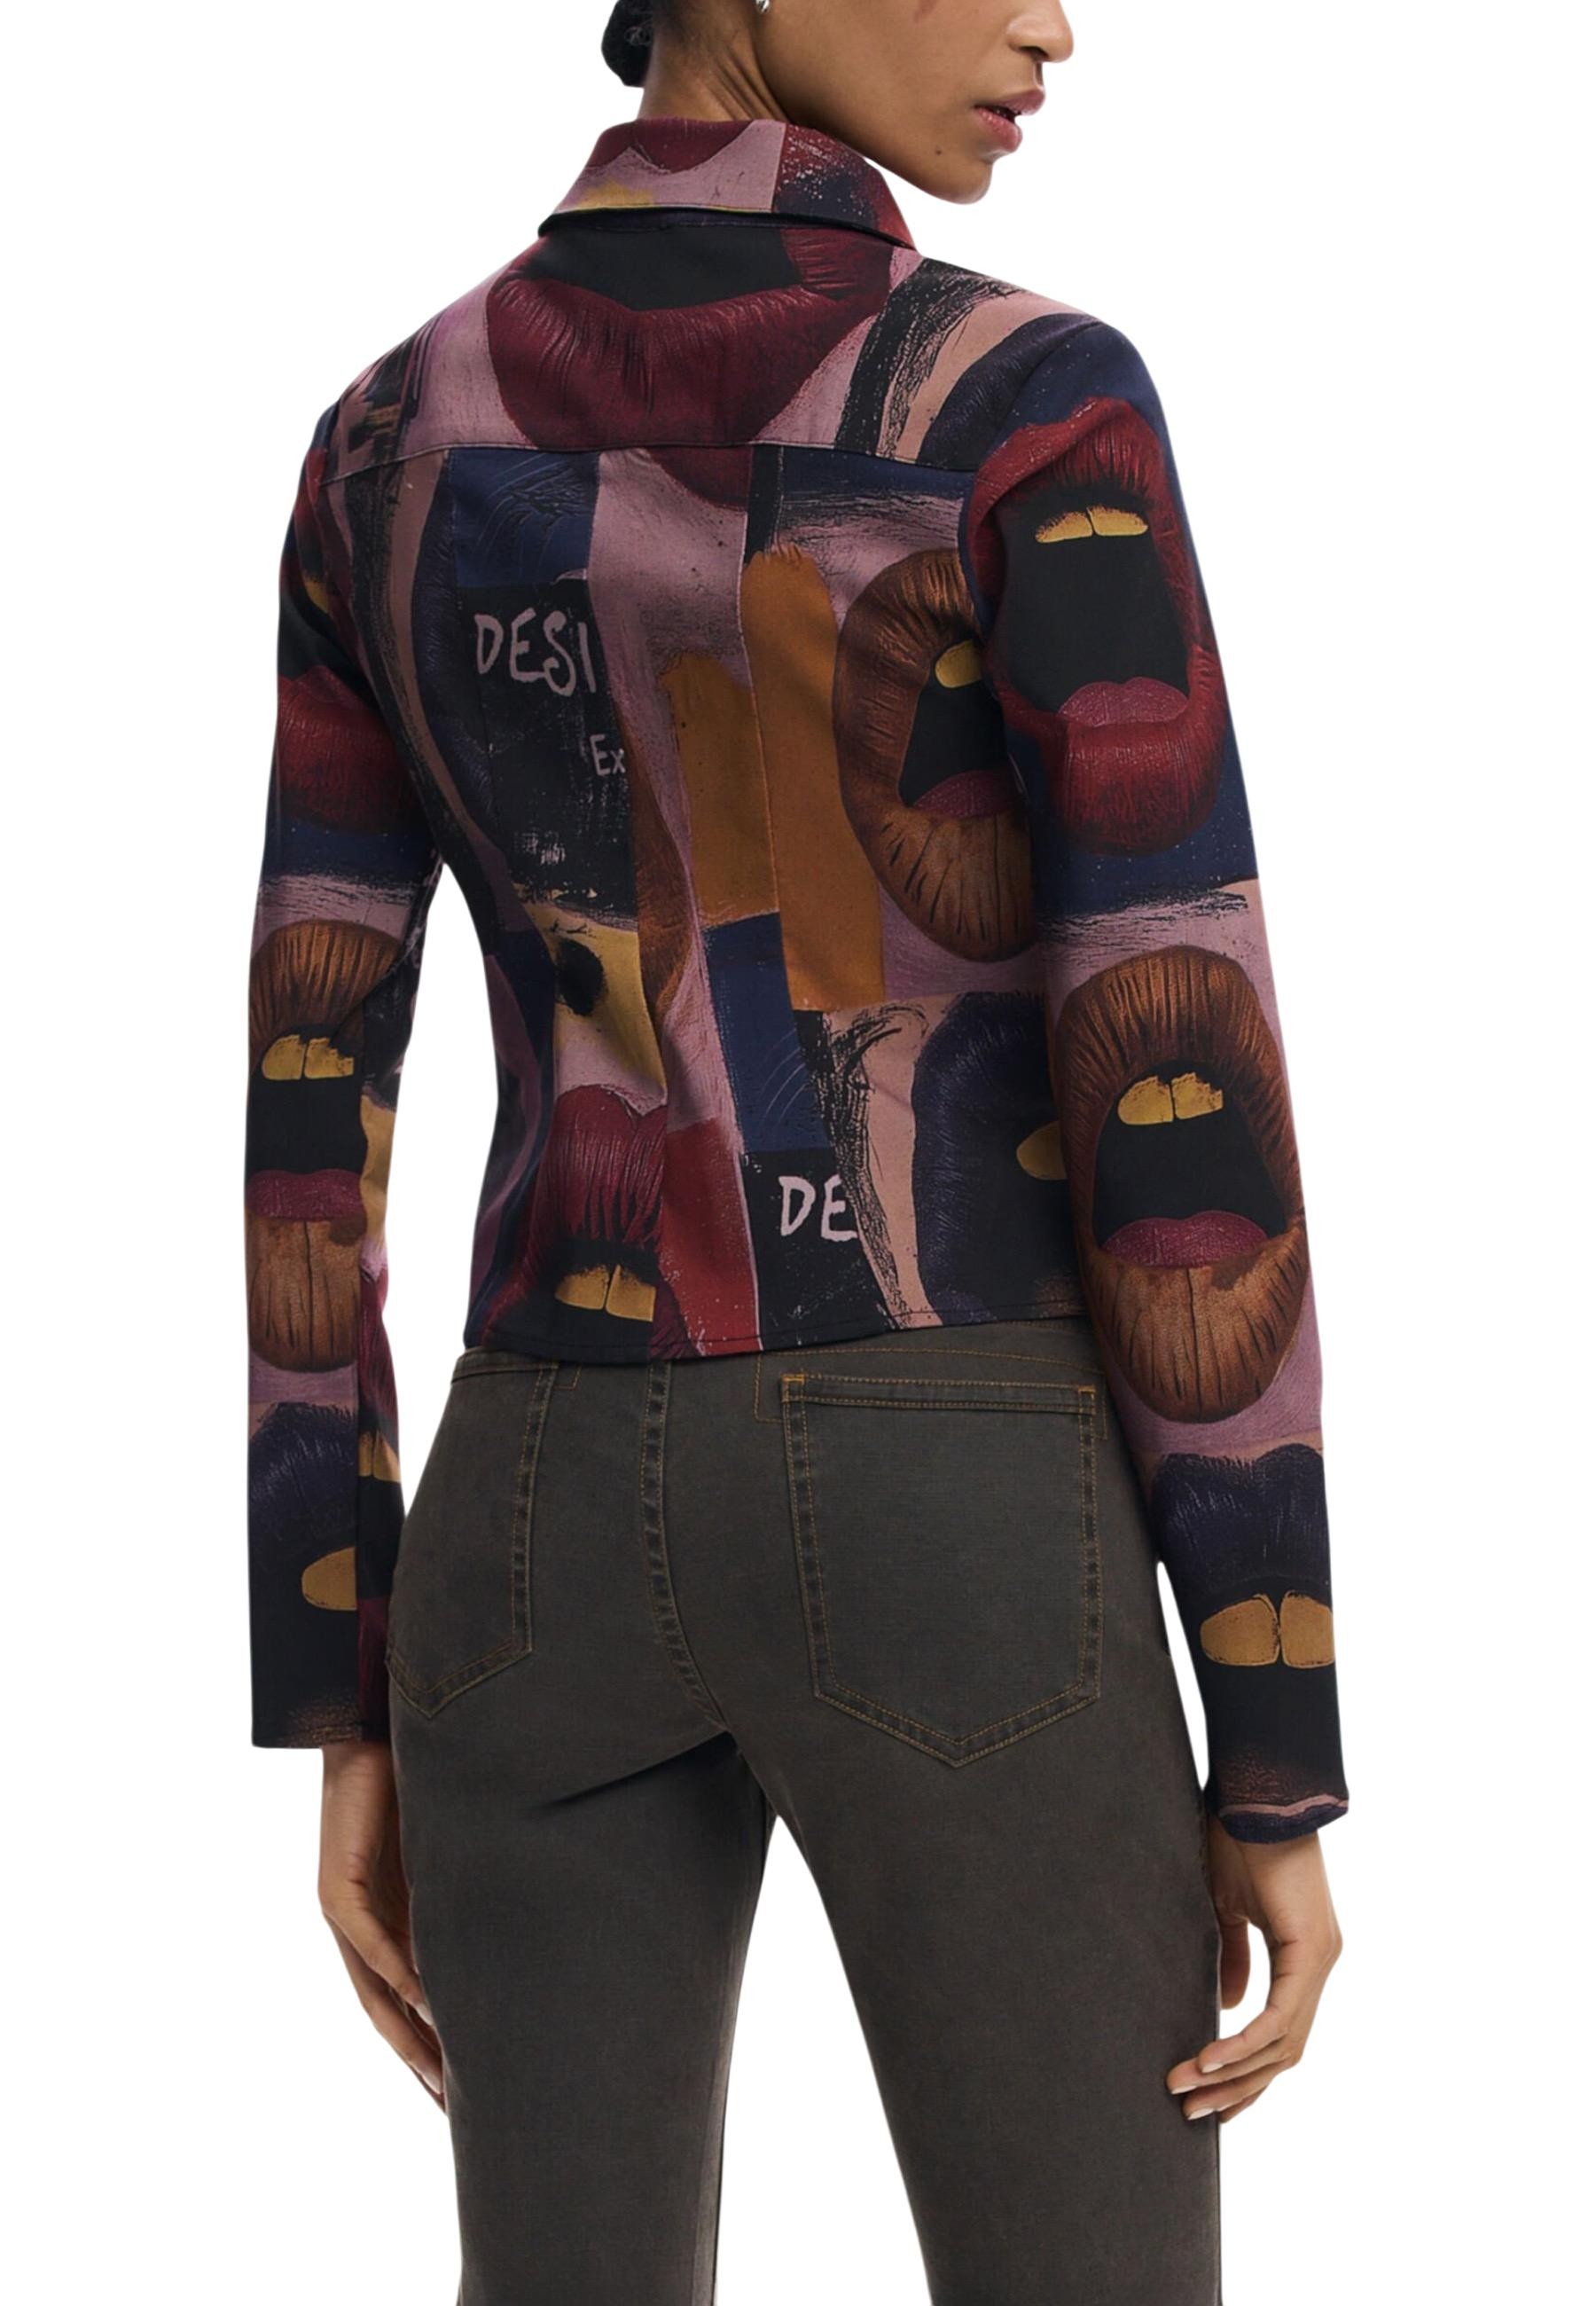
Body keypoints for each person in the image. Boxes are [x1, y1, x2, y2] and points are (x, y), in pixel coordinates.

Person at [243, 1, 1348, 2296]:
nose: (1052, 21)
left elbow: (308, 1089)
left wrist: (335, 1677)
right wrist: (1273, 1734)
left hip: (525, 1524)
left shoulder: (381, 442)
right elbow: (1176, 1047)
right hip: (960, 1502)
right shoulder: (1028, 407)